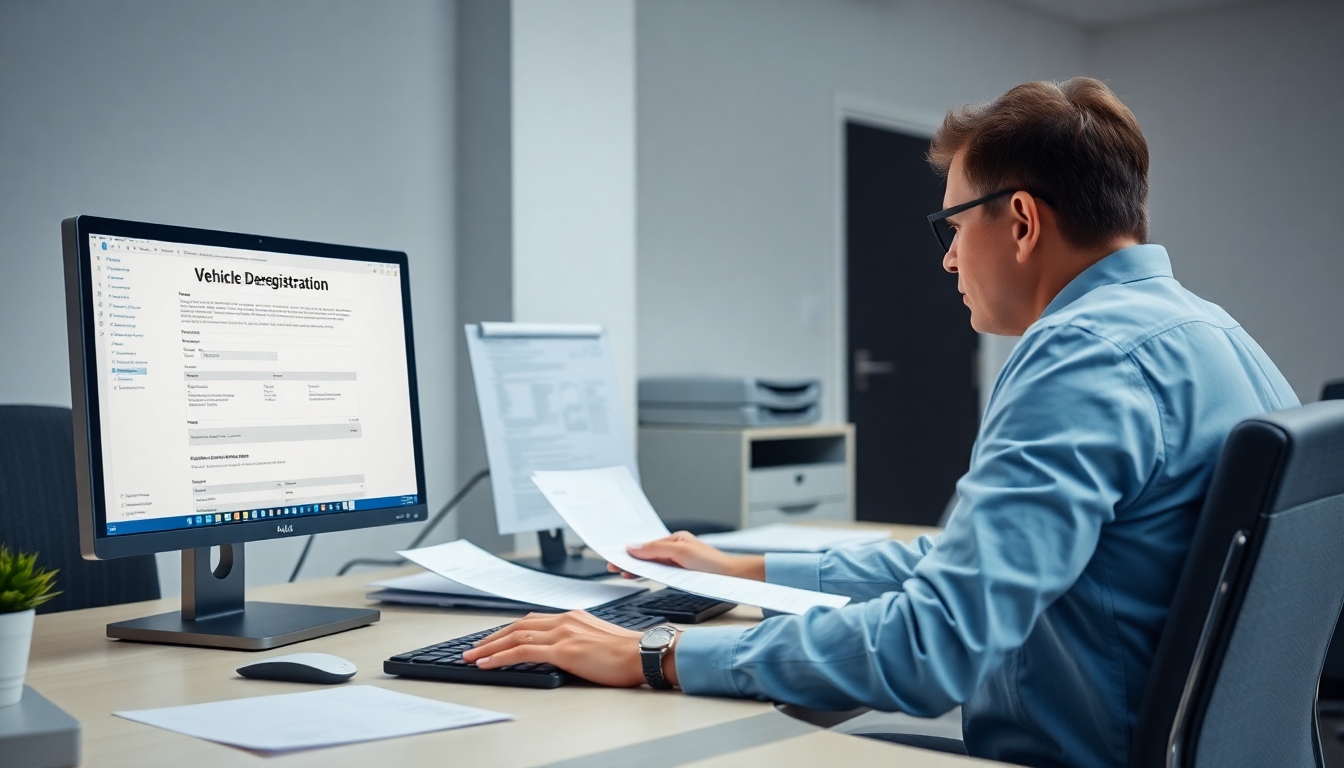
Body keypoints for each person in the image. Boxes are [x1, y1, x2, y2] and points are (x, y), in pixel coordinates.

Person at [463, 78, 1298, 767]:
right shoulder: (1219, 339)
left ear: (1019, 222)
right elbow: (973, 567)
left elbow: (933, 645)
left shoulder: (1080, 360)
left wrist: (658, 656)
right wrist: (749, 568)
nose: (945, 257)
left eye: (952, 226)